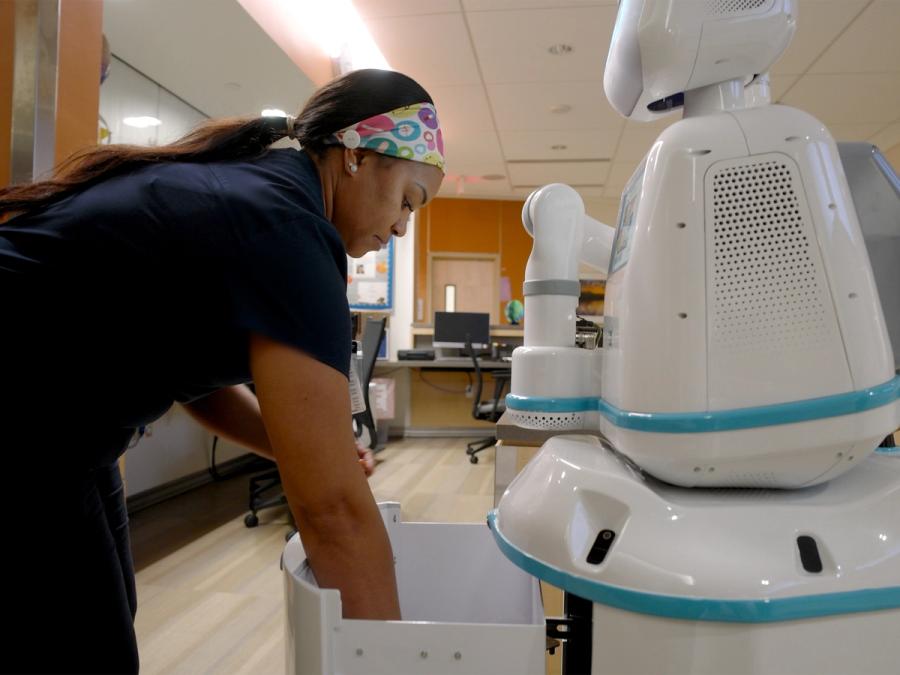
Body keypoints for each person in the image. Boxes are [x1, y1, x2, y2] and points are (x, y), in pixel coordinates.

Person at [0, 68, 445, 674]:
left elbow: (189, 379)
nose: (400, 227)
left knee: (103, 622)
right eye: (408, 201)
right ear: (356, 157)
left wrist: (307, 450)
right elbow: (332, 510)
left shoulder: (262, 197)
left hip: (69, 432)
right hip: (27, 424)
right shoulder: (289, 231)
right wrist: (400, 663)